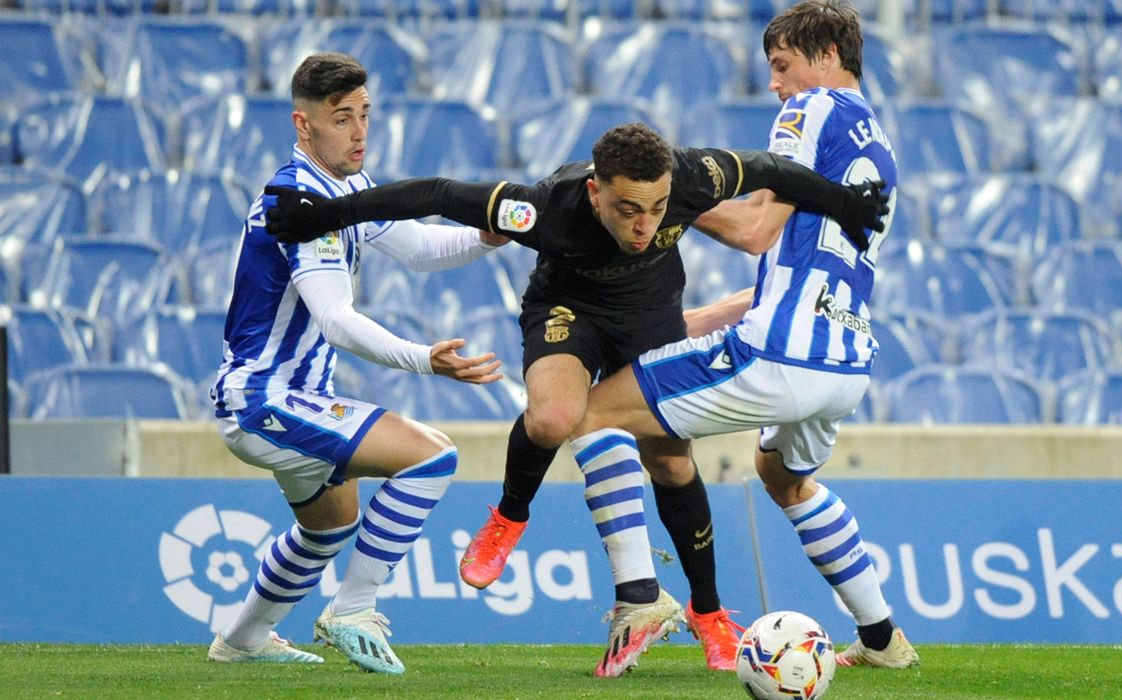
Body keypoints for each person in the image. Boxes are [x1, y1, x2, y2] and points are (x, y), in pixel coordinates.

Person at [263, 123, 888, 676]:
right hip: (568, 310)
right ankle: (509, 516)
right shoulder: (543, 208)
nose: (644, 225)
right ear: (595, 192)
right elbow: (432, 193)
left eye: (657, 208)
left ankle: (709, 613)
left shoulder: (694, 174)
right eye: (626, 209)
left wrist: (846, 206)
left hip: (649, 314)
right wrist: (319, 219)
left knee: (671, 462)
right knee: (555, 416)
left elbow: (773, 170)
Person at [568, 0, 919, 670]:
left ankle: (641, 594)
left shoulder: (811, 110)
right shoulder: (878, 140)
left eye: (782, 65)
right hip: (843, 363)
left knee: (585, 413)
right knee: (781, 477)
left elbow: (755, 231)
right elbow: (789, 265)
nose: (776, 86)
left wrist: (663, 194)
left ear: (825, 56)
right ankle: (881, 640)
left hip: (780, 356)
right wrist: (691, 322)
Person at [206, 53, 507, 675]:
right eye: (342, 119)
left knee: (329, 525)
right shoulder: (297, 203)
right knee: (432, 454)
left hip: (291, 395)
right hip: (265, 398)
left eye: (365, 115)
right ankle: (353, 609)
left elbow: (420, 249)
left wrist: (484, 237)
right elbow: (337, 319)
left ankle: (242, 640)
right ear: (303, 125)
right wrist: (423, 360)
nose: (359, 131)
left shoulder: (348, 189)